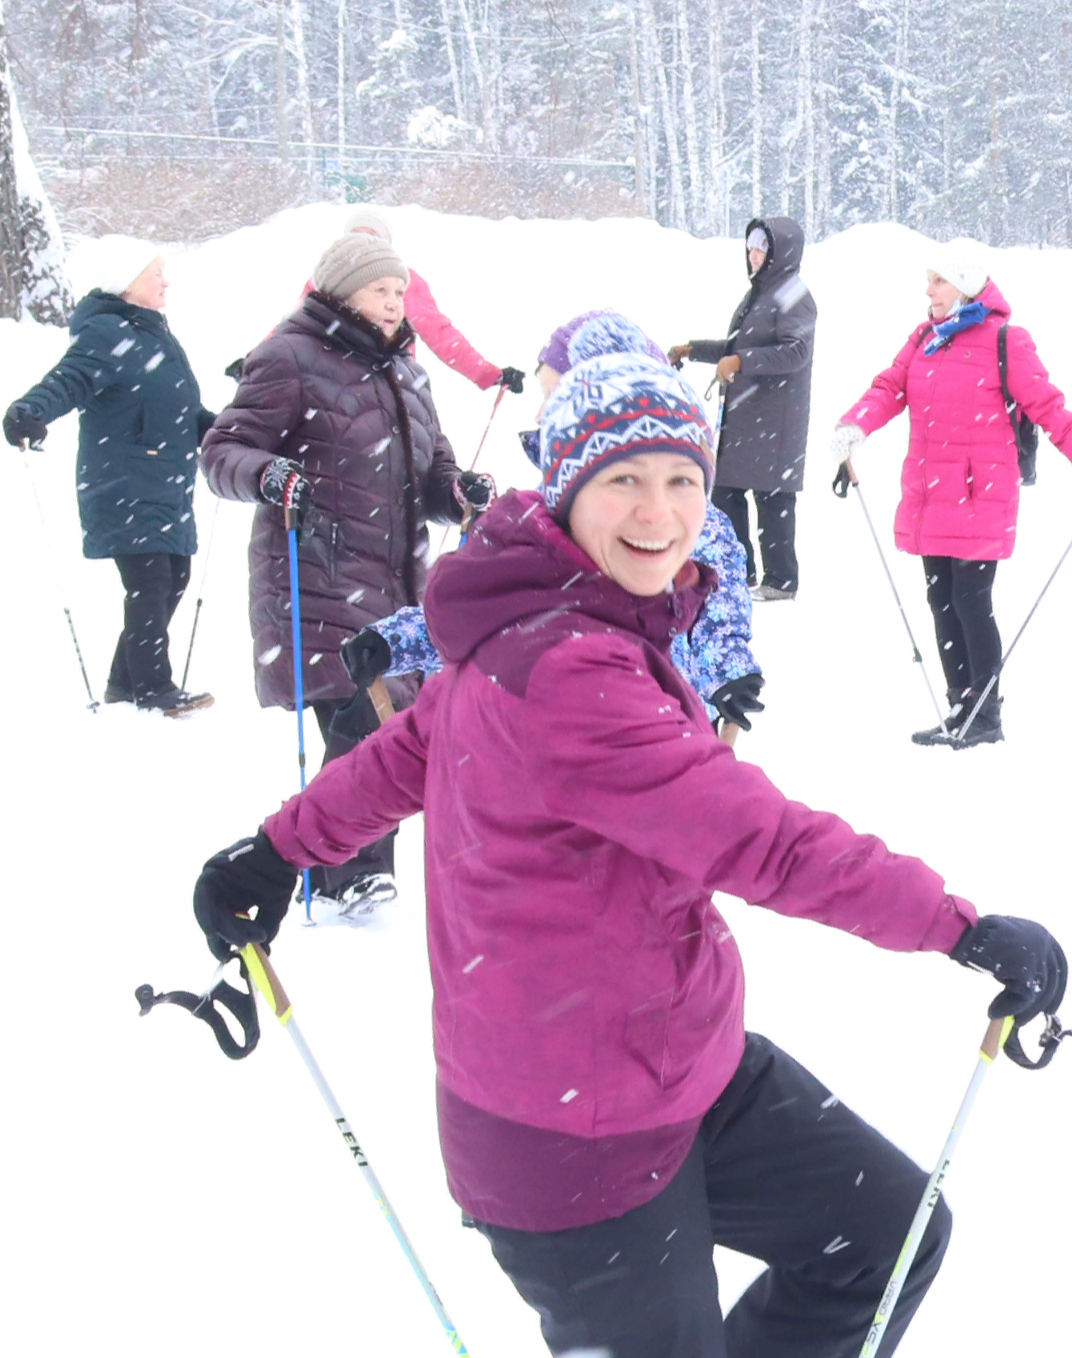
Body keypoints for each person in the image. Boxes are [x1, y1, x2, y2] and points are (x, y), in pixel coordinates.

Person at [186, 317, 1072, 1358]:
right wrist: (962, 925)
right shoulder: (567, 667)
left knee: (885, 1228)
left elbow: (407, 761)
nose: (661, 512)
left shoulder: (545, 613)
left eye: (683, 477)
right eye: (627, 483)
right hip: (564, 1138)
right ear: (564, 484)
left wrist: (282, 844)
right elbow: (764, 842)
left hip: (675, 1060)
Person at [202, 227, 489, 910]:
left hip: (394, 581)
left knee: (386, 725)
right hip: (317, 572)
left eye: (399, 291)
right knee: (367, 718)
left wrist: (459, 494)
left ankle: (318, 860)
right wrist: (269, 473)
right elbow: (222, 450)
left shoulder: (408, 371)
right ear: (341, 287)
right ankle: (345, 869)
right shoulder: (288, 357)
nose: (395, 303)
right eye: (380, 289)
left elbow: (432, 471)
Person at [349, 316, 765, 736]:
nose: (540, 412)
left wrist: (728, 671)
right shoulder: (540, 515)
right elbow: (482, 604)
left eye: (554, 394)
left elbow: (718, 605)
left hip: (658, 730)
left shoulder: (683, 517)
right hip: (545, 735)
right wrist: (396, 641)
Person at [831, 239, 1072, 746]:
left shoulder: (1006, 340)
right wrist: (855, 426)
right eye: (928, 280)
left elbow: (1050, 410)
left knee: (970, 599)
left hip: (980, 492)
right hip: (930, 489)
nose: (928, 290)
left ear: (964, 284)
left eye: (938, 280)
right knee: (940, 598)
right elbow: (889, 388)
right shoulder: (925, 337)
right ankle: (960, 704)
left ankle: (986, 714)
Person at [5, 250, 216, 714]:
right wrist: (31, 411)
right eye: (155, 274)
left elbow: (178, 408)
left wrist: (214, 427)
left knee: (173, 575)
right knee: (151, 579)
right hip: (124, 482)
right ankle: (152, 688)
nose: (165, 282)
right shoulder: (106, 334)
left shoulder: (158, 336)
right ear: (127, 282)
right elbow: (68, 381)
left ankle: (125, 682)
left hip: (165, 482)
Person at [671, 218, 815, 603]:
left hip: (777, 417)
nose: (753, 256)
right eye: (750, 249)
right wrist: (694, 349)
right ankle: (738, 569)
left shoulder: (793, 296)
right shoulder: (761, 293)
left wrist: (741, 363)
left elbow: (795, 352)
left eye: (761, 250)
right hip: (748, 415)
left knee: (773, 499)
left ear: (778, 254)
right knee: (725, 491)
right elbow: (737, 346)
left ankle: (781, 580)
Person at [289, 209, 525, 398]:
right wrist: (257, 360)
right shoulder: (326, 280)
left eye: (372, 235)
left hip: (392, 387)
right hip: (331, 387)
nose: (363, 242)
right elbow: (293, 327)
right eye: (355, 235)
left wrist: (489, 374)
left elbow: (442, 335)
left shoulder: (402, 282)